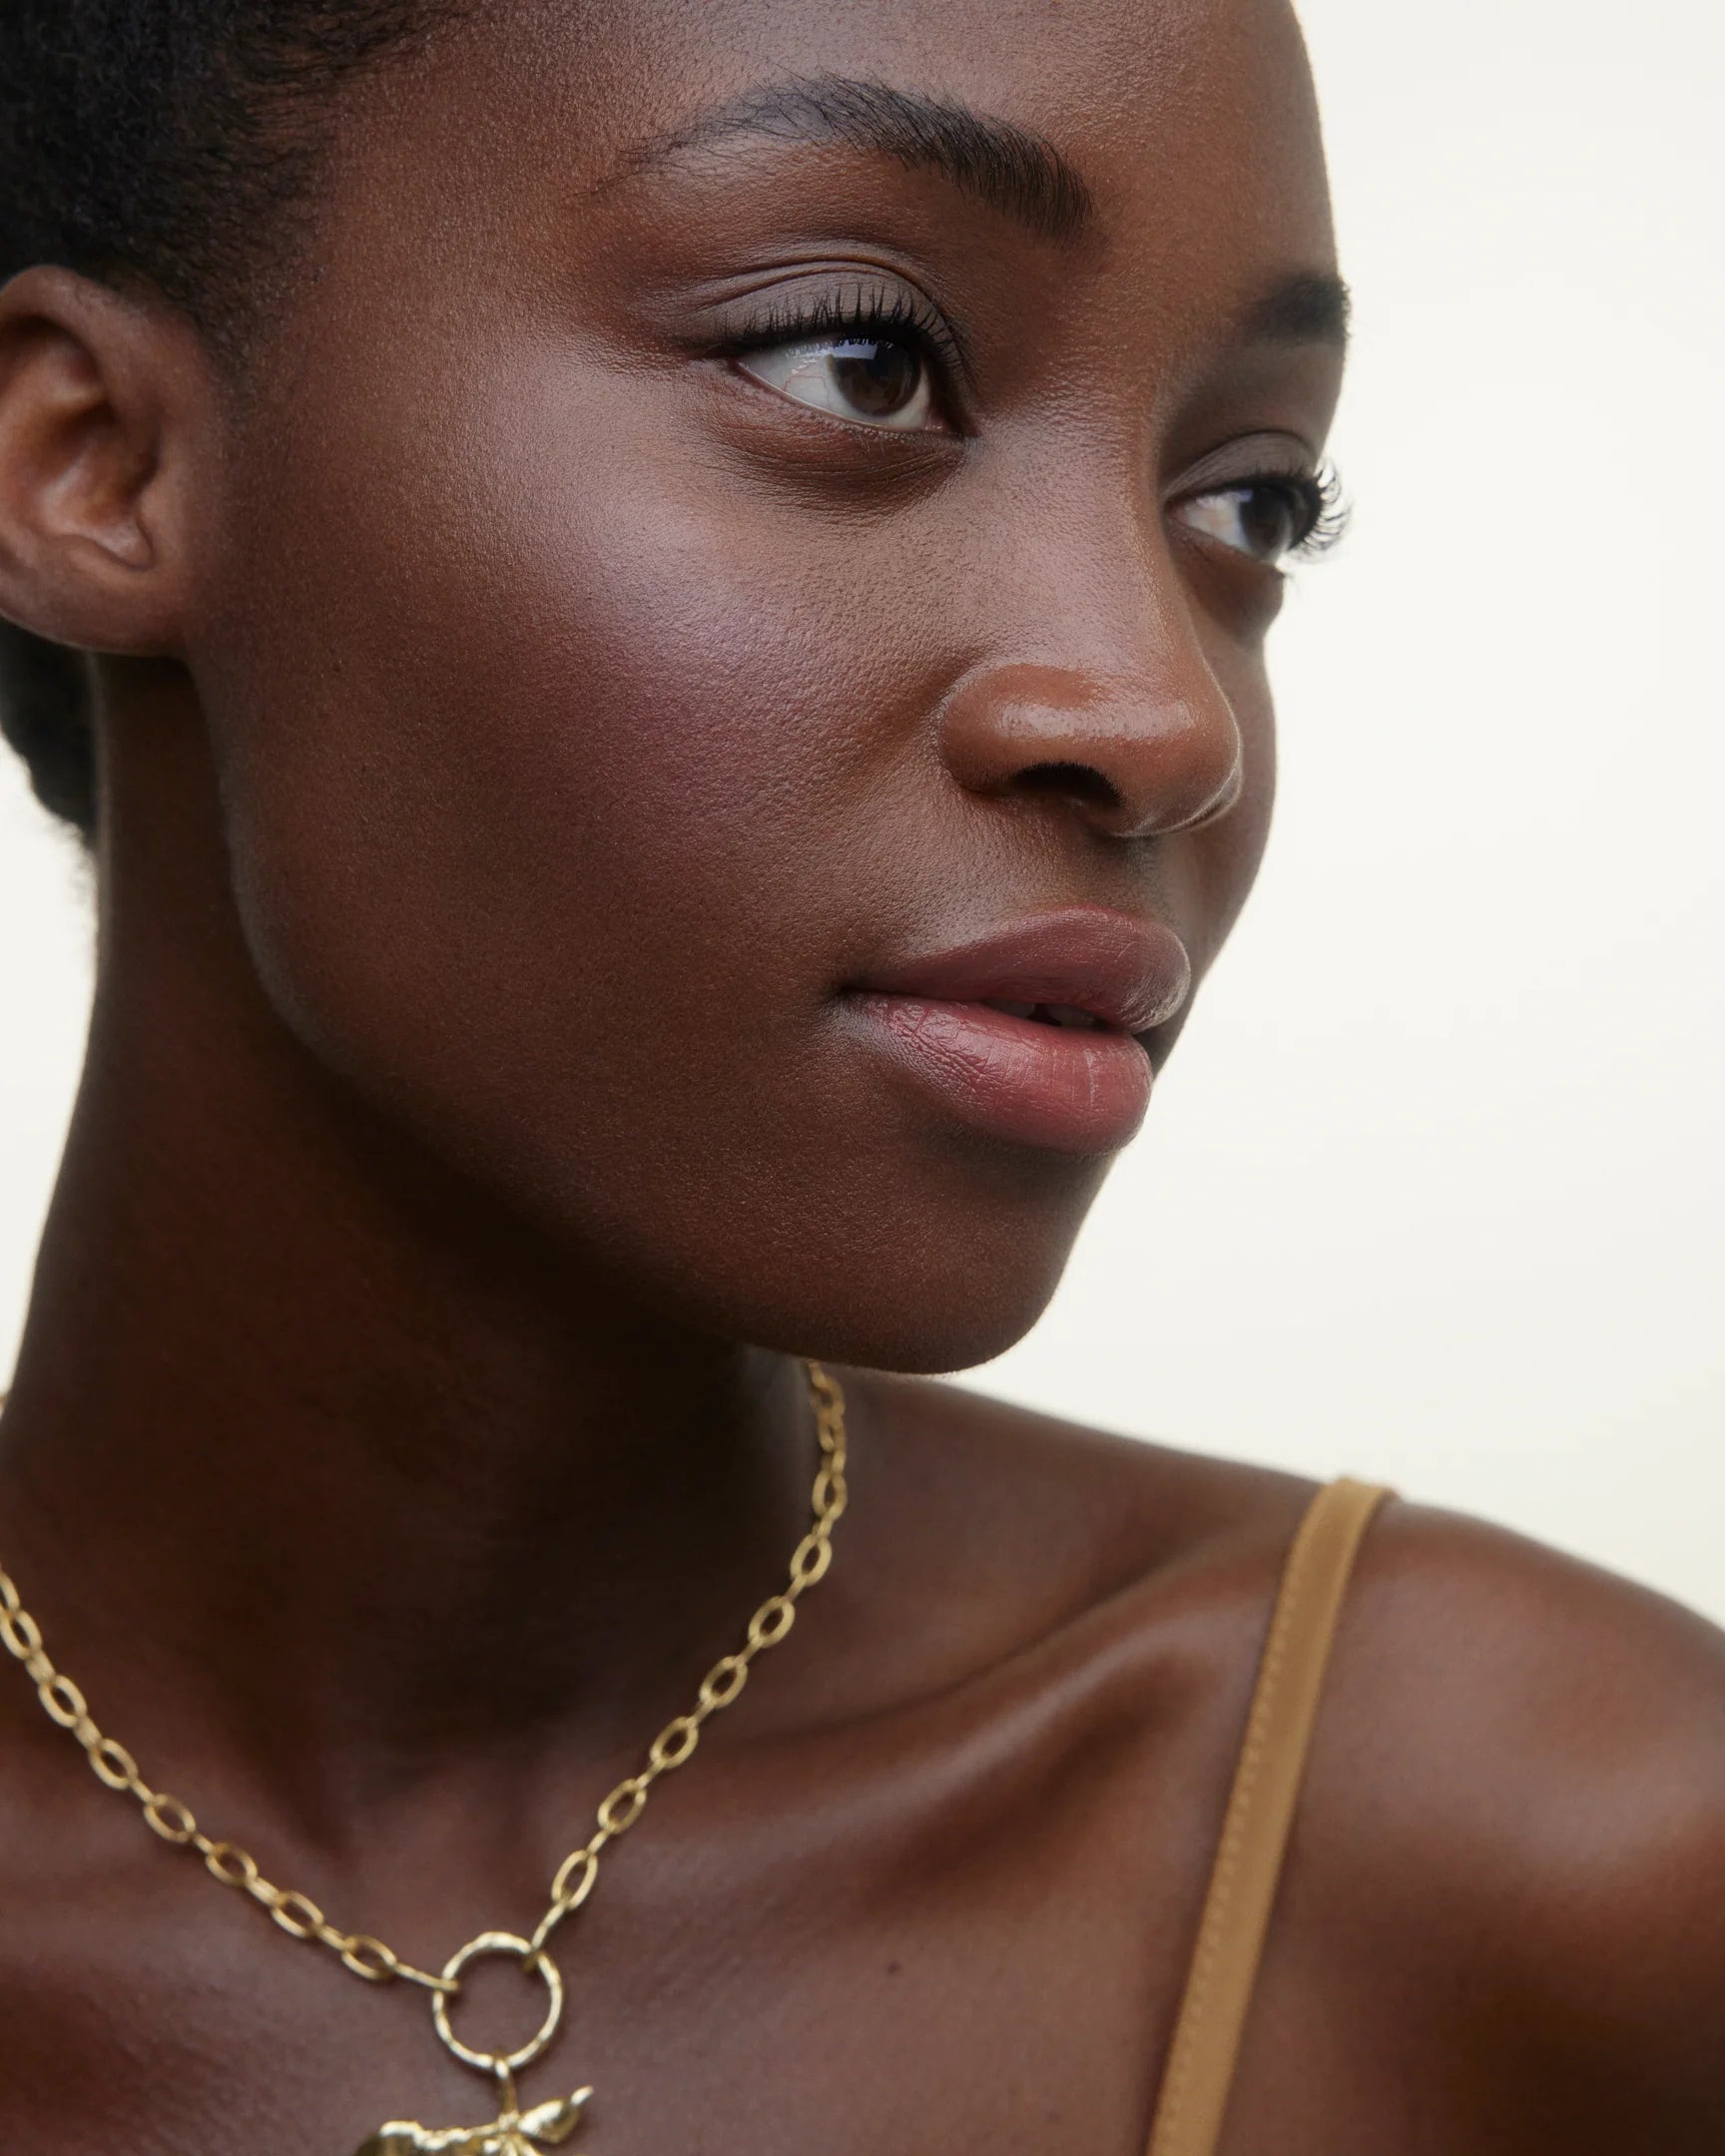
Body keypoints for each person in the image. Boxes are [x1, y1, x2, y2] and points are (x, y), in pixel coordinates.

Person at [0, 2, 1720, 2149]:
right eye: (862, 364)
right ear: (96, 463)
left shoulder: (1557, 1873)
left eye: (1252, 496)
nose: (1164, 717)